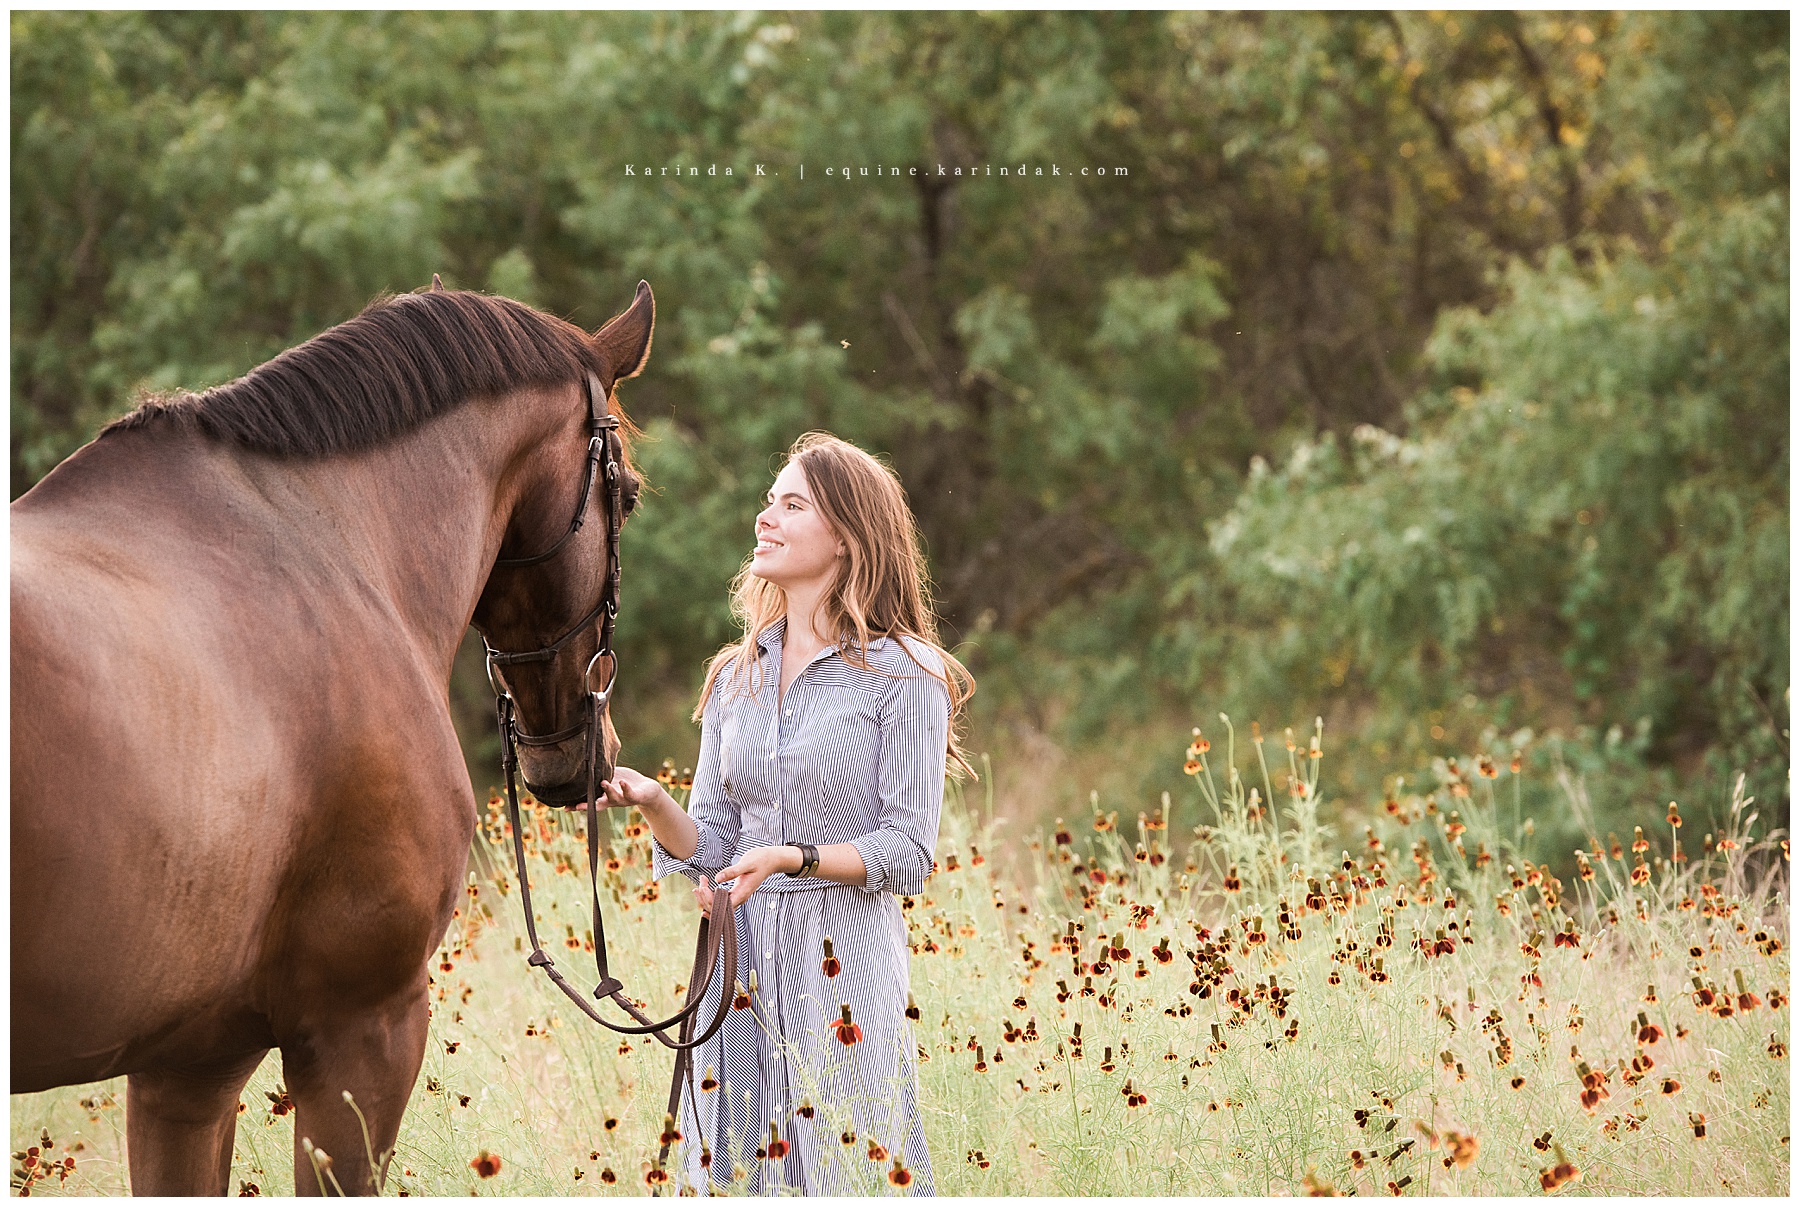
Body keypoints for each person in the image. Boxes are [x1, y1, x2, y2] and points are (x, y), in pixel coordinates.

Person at [599, 431, 976, 1195]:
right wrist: (654, 801)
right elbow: (713, 847)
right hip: (736, 964)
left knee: (846, 1168)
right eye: (769, 500)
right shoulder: (734, 676)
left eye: (792, 503)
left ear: (846, 536)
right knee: (733, 1172)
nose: (766, 517)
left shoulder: (906, 674)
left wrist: (790, 856)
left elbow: (906, 849)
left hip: (841, 960)